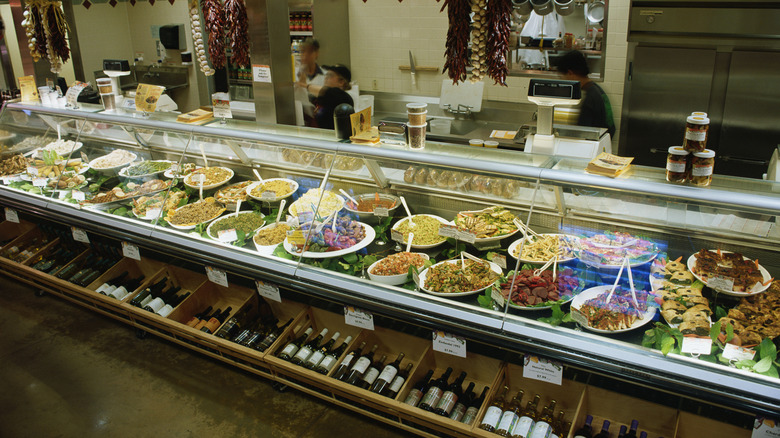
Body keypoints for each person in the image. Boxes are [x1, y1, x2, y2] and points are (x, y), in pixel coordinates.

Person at [556, 50, 615, 138]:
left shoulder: (589, 99)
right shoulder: (598, 90)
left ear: (570, 73)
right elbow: (612, 128)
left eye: (562, 77)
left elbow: (580, 134)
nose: (562, 80)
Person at [296, 64, 354, 130]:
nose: (326, 77)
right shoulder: (324, 98)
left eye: (330, 75)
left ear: (341, 82)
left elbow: (327, 91)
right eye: (326, 75)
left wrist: (304, 85)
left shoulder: (344, 97)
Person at [295, 38, 325, 126]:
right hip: (297, 122)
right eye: (303, 52)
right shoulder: (293, 74)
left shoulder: (325, 75)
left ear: (316, 53)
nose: (305, 55)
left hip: (319, 123)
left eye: (309, 52)